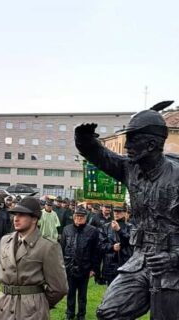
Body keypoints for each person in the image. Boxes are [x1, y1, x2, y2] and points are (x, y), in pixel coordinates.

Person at [75, 101, 179, 319]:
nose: (125, 145)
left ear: (151, 145)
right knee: (109, 312)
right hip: (140, 261)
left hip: (173, 265)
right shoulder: (130, 168)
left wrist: (173, 258)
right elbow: (102, 157)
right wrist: (84, 141)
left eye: (132, 139)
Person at [0, 196, 68, 320]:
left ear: (34, 219)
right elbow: (0, 272)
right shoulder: (5, 241)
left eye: (21, 215)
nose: (16, 218)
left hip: (31, 310)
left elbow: (59, 288)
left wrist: (39, 302)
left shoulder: (48, 247)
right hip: (3, 307)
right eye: (15, 214)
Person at [61, 206, 100, 320]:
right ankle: (69, 313)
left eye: (81, 217)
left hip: (85, 267)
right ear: (73, 217)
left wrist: (94, 269)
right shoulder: (66, 229)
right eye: (77, 216)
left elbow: (95, 252)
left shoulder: (92, 231)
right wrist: (62, 266)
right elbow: (62, 249)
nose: (79, 219)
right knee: (70, 293)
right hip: (69, 266)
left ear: (85, 218)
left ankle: (81, 314)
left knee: (82, 295)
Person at [98, 206, 133, 285]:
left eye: (119, 211)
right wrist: (112, 247)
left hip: (125, 263)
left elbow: (130, 241)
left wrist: (119, 230)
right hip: (110, 264)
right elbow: (100, 245)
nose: (116, 213)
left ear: (124, 213)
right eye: (115, 211)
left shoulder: (130, 227)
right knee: (111, 291)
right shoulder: (105, 227)